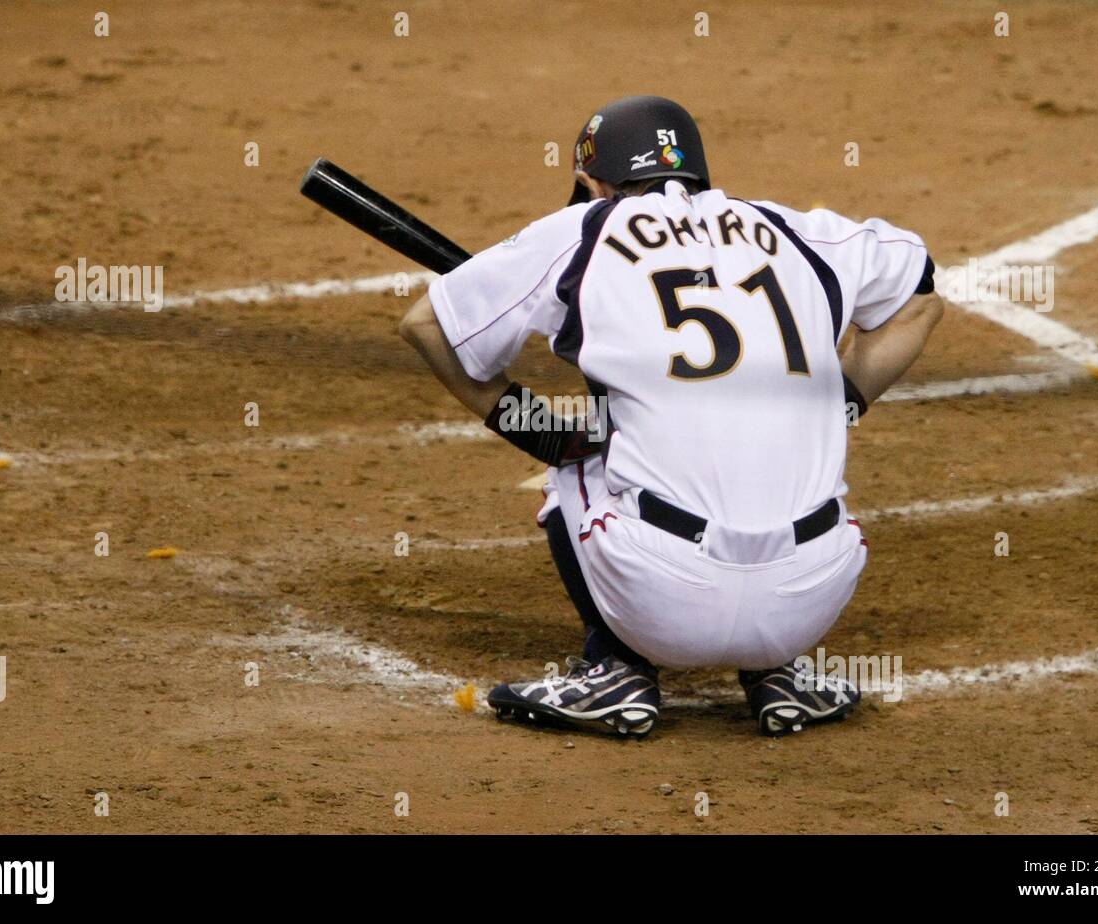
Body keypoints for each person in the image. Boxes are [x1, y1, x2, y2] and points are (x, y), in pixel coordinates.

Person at [399, 95, 943, 737]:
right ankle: (780, 674)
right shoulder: (794, 230)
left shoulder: (587, 231)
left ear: (591, 182)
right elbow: (919, 298)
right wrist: (844, 399)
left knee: (587, 450)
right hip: (812, 597)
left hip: (664, 602)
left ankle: (614, 669)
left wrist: (537, 430)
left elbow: (427, 325)